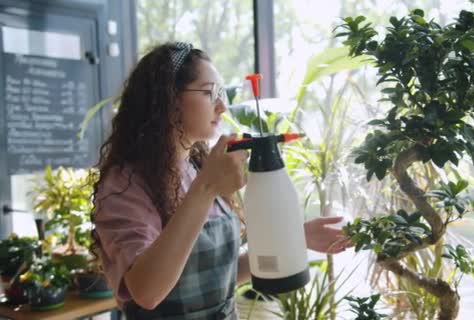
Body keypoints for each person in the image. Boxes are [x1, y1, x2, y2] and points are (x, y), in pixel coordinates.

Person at [90, 42, 351, 319]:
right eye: (209, 92)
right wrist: (205, 188)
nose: (222, 106)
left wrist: (297, 239)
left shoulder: (198, 168)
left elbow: (221, 274)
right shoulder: (126, 185)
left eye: (221, 93)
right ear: (167, 99)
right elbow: (147, 292)